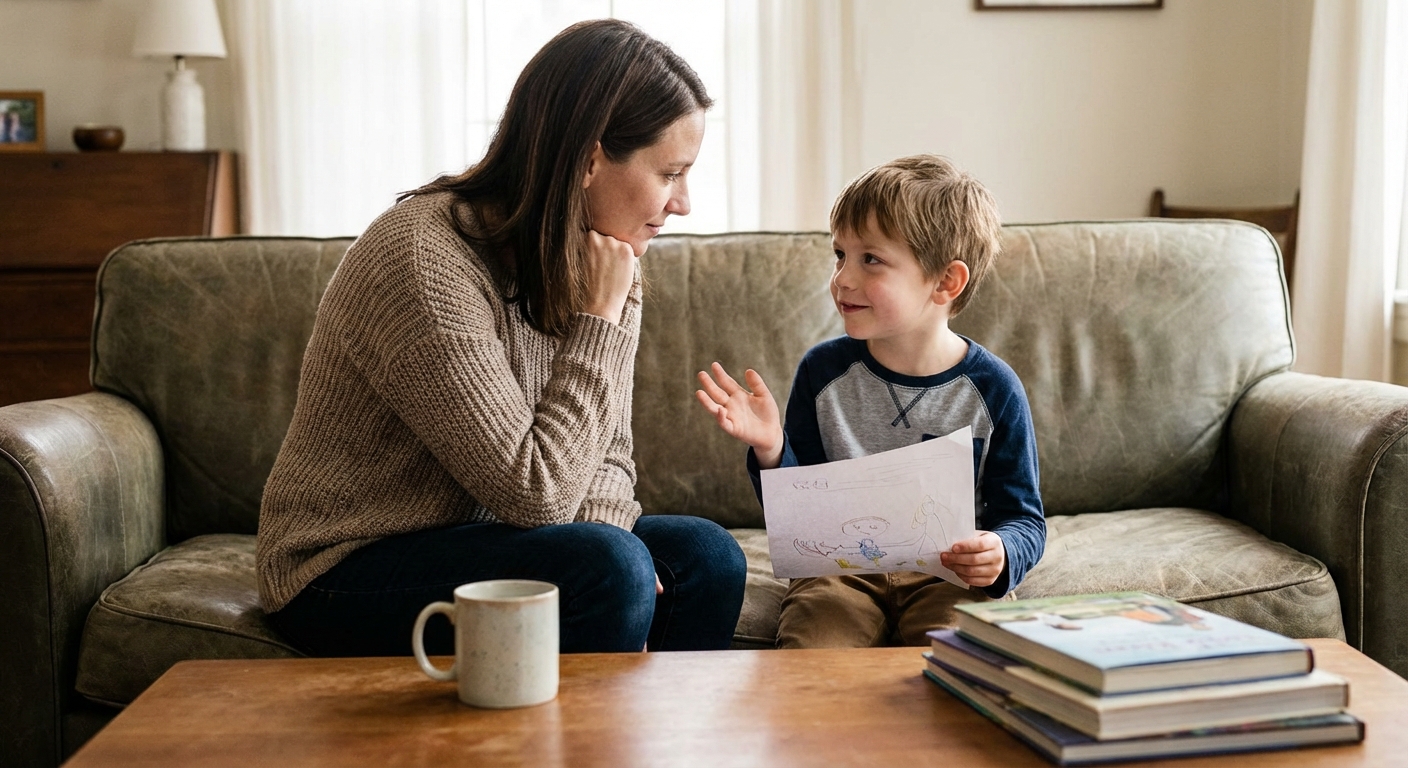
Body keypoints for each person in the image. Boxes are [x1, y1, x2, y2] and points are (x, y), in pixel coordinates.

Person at [257, 19, 747, 658]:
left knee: (707, 556)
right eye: (670, 173)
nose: (682, 202)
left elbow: (609, 456)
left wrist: (613, 548)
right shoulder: (422, 257)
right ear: (589, 160)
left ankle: (641, 740)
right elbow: (535, 493)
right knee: (612, 565)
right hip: (343, 567)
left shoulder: (608, 259)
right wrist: (598, 323)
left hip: (492, 538)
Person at [694, 155, 1045, 648]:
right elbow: (801, 514)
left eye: (870, 260)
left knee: (970, 667)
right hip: (838, 573)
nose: (842, 278)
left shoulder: (995, 390)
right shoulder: (822, 372)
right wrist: (772, 447)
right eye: (840, 255)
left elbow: (1025, 519)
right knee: (813, 665)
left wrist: (1002, 552)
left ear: (946, 282)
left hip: (948, 576)